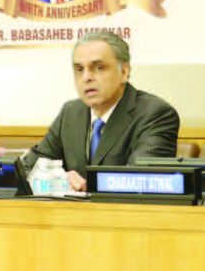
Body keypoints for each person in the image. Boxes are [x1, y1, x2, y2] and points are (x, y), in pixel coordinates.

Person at [23, 31, 179, 191]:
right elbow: (27, 169)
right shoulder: (71, 113)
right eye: (79, 69)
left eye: (98, 67)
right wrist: (57, 180)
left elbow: (140, 183)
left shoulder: (155, 114)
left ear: (124, 72)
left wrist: (82, 187)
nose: (86, 77)